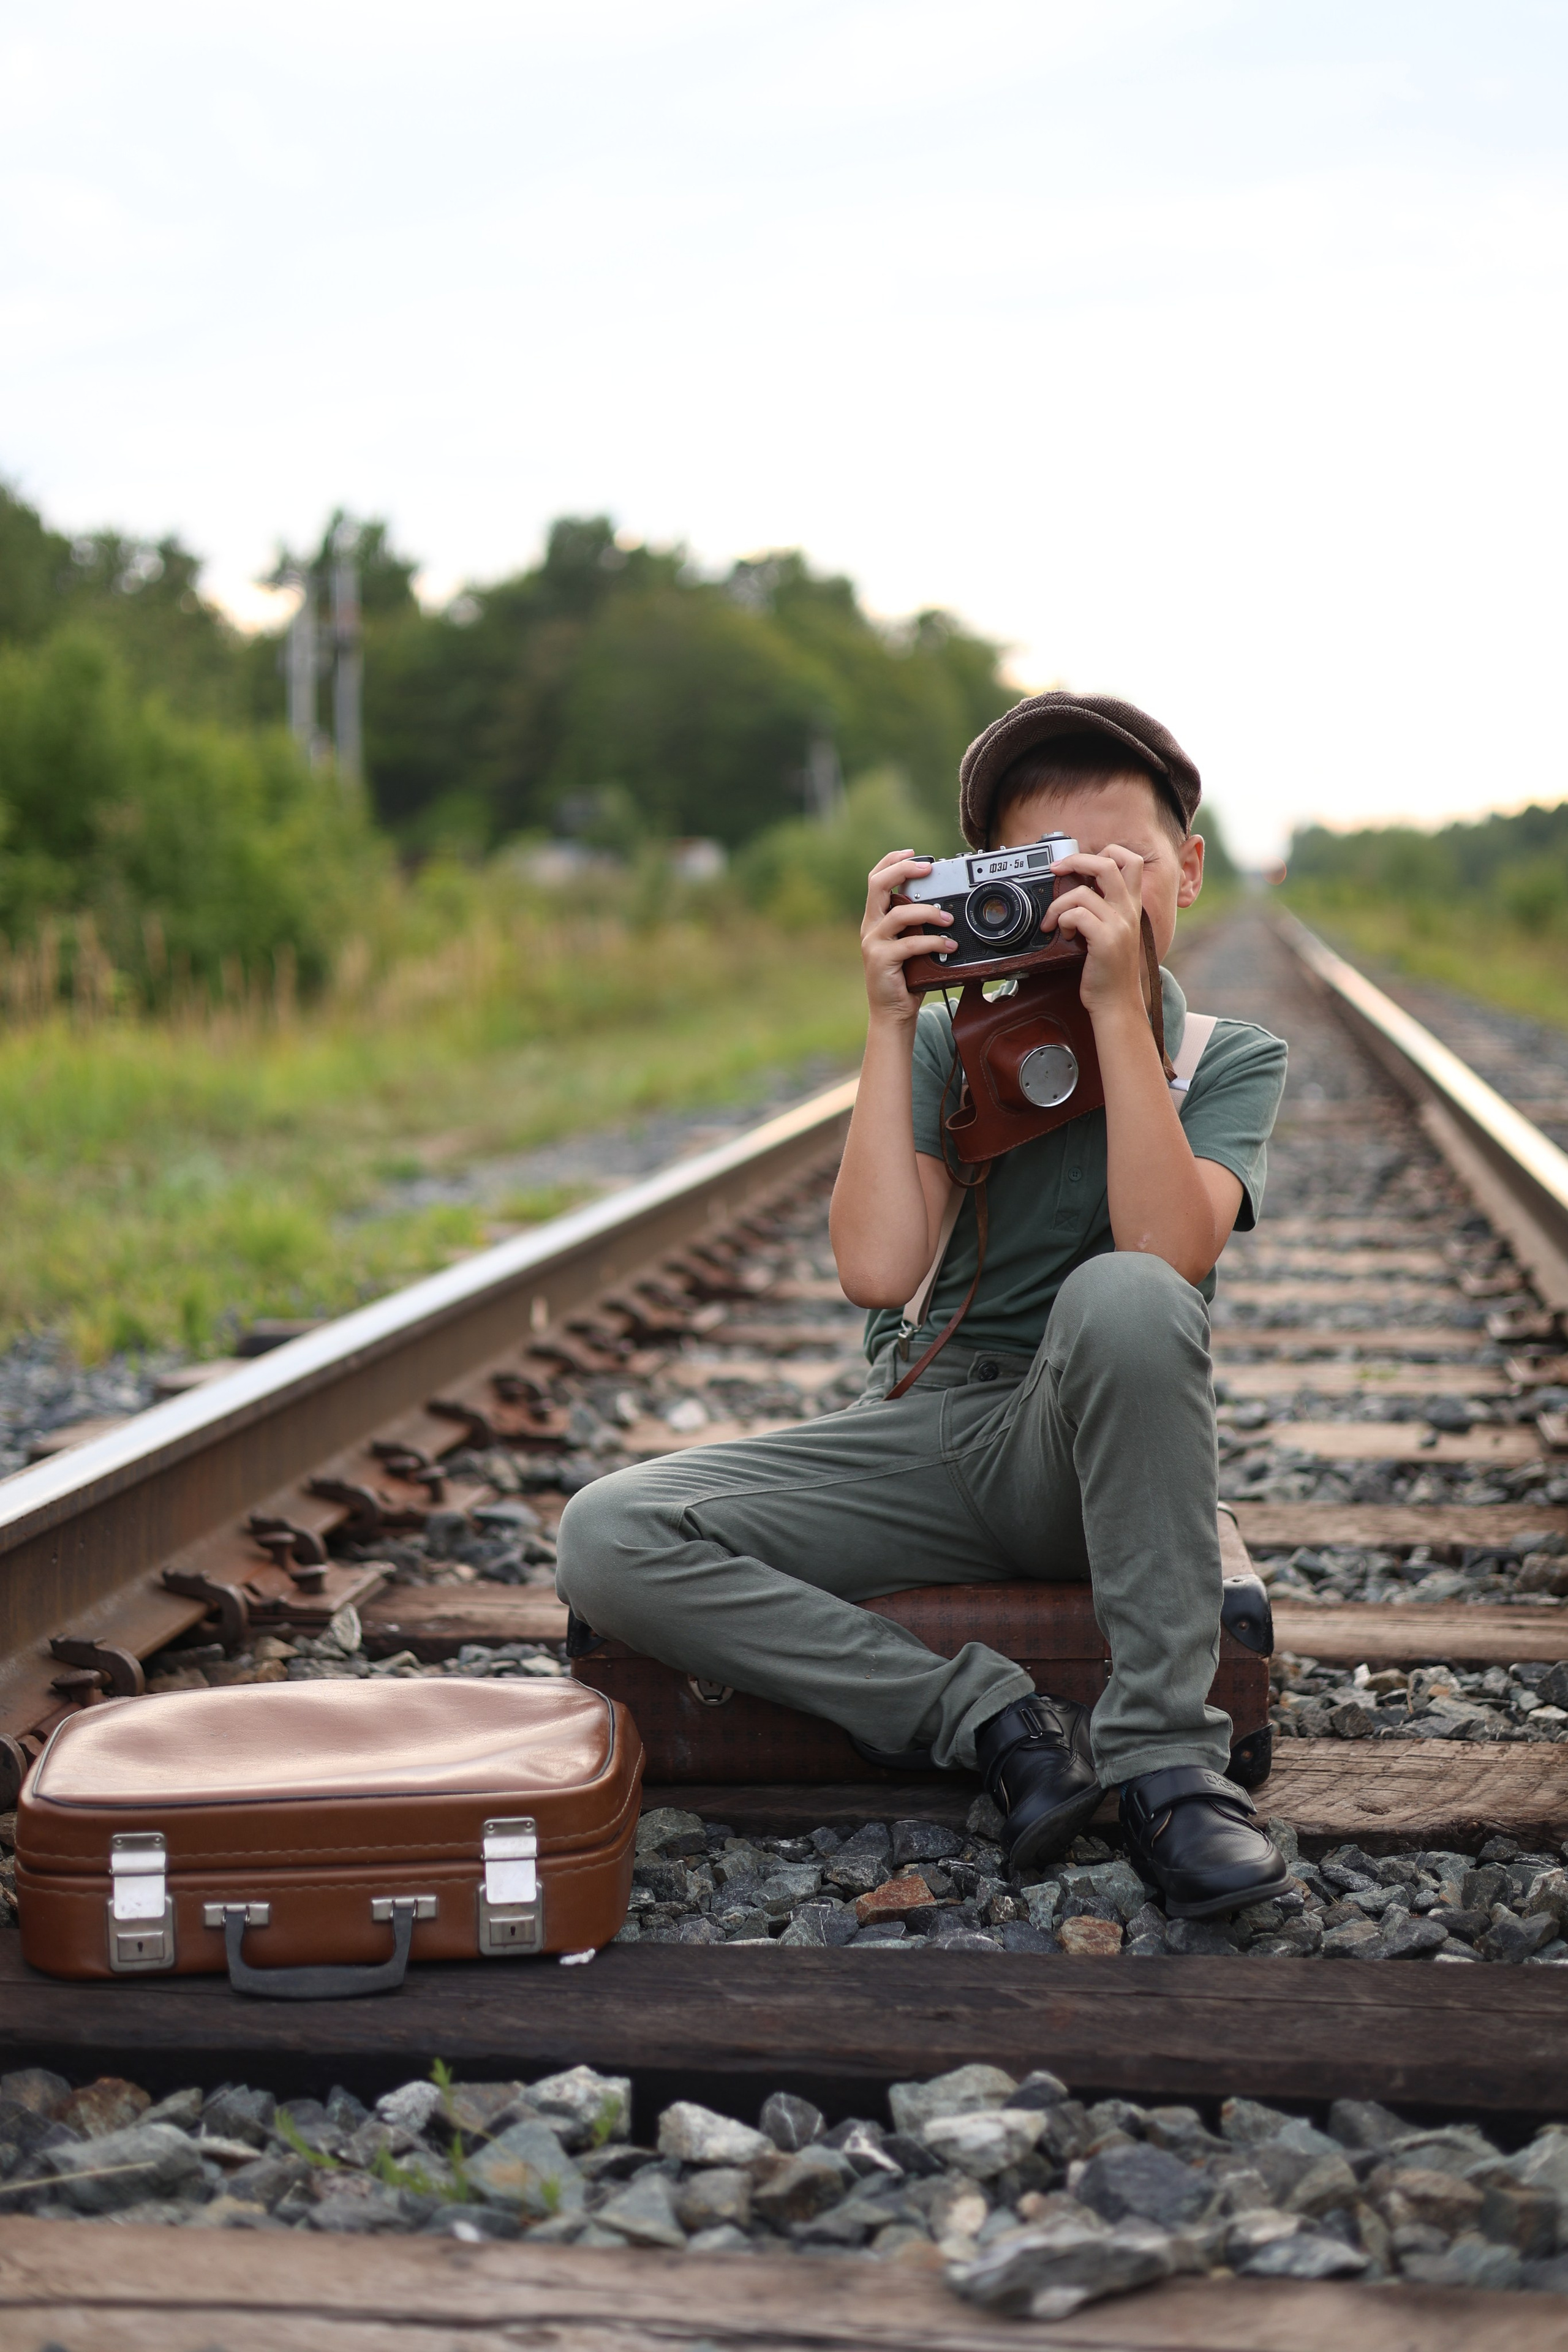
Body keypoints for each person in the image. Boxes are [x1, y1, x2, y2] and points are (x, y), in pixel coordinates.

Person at [557, 693, 1289, 1918]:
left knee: (1120, 1295)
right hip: (934, 1433)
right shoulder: (956, 1044)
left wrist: (1115, 1008)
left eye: (1121, 867)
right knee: (608, 1533)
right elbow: (879, 1273)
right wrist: (890, 1024)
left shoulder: (1225, 1056)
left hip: (1089, 1454)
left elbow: (1163, 1251)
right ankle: (981, 1718)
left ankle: (1167, 1766)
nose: (1089, 902)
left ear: (1187, 871)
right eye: (1052, 876)